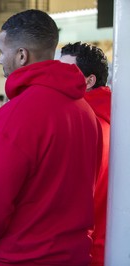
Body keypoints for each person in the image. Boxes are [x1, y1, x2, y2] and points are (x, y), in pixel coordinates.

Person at [0, 9, 102, 265]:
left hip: (18, 257)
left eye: (2, 51)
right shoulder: (85, 111)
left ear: (22, 55)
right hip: (74, 255)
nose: (0, 60)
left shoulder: (15, 115)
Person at [60, 41, 111, 266]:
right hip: (104, 244)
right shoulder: (111, 117)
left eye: (66, 71)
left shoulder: (86, 123)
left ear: (89, 81)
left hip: (80, 249)